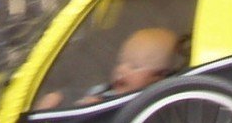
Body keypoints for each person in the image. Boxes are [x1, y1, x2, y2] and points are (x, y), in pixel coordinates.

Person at [33, 26, 182, 111]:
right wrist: (61, 96)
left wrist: (96, 108)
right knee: (52, 99)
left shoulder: (141, 105)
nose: (121, 69)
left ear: (157, 78)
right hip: (78, 111)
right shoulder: (110, 89)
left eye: (134, 66)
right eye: (120, 62)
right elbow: (87, 92)